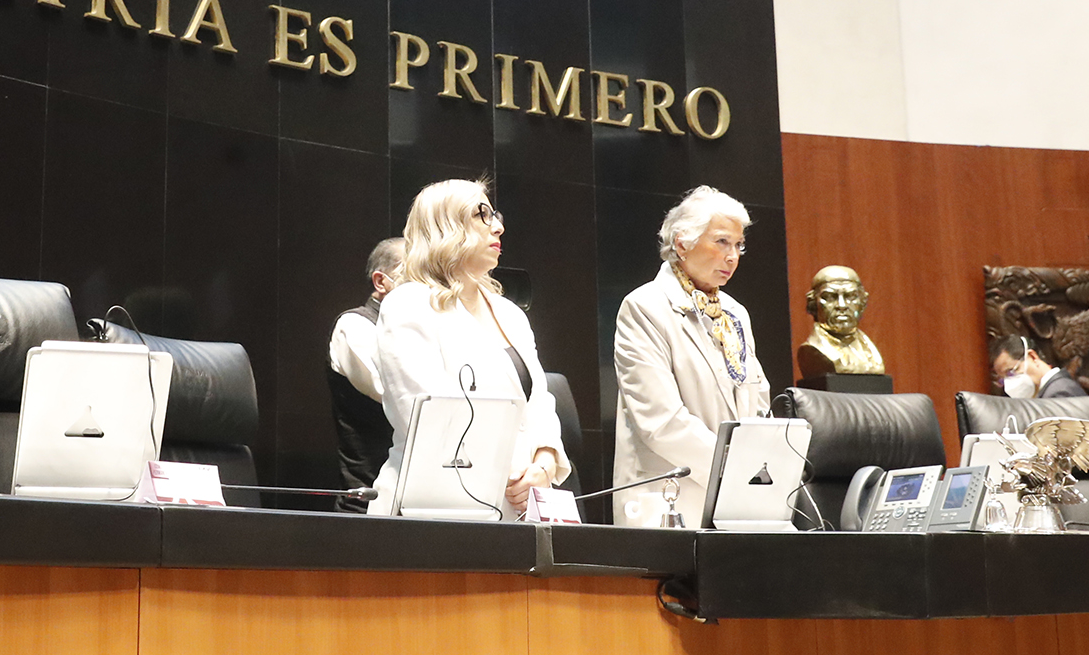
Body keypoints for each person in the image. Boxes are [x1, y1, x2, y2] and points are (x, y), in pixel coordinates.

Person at [370, 179, 568, 518]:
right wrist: (519, 473)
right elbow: (430, 419)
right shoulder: (407, 304)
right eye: (482, 215)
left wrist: (544, 466)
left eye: (495, 215)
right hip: (435, 510)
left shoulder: (510, 313)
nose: (498, 227)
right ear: (443, 227)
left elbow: (539, 404)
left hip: (518, 507)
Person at [613, 186, 769, 527]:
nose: (733, 256)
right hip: (668, 499)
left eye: (739, 245)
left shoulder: (736, 313)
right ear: (682, 243)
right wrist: (735, 468)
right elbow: (661, 421)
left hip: (739, 498)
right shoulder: (644, 307)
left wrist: (762, 466)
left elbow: (758, 400)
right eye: (722, 242)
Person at [328, 237, 403, 510]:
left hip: (415, 503)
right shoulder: (354, 326)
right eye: (414, 277)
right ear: (381, 282)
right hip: (367, 505)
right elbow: (400, 394)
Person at [797, 265, 885, 380]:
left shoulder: (870, 353)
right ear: (813, 304)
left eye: (851, 296)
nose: (842, 305)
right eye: (830, 297)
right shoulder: (812, 351)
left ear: (862, 302)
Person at [989, 334, 1088, 400]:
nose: (1009, 384)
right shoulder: (1048, 393)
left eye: (1011, 372)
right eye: (1002, 380)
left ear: (1033, 357)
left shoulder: (1060, 393)